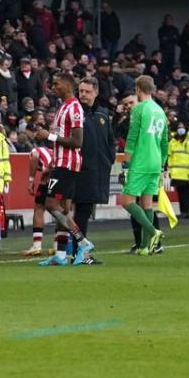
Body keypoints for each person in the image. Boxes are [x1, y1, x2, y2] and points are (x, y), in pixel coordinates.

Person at [32, 72, 95, 266]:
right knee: (63, 209)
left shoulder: (74, 107)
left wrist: (47, 136)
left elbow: (77, 141)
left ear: (68, 85)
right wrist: (52, 163)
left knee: (51, 204)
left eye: (56, 84)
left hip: (68, 164)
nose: (53, 87)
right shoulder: (63, 107)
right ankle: (60, 255)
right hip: (60, 162)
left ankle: (82, 241)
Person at [120, 75, 168, 256]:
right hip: (155, 162)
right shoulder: (160, 111)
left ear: (138, 89)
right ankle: (145, 247)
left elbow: (131, 138)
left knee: (126, 201)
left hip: (140, 161)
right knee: (147, 203)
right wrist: (162, 164)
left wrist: (125, 164)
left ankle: (153, 231)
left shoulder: (139, 109)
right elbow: (164, 142)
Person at [72, 76, 114, 265]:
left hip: (98, 170)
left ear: (96, 92)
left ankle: (75, 252)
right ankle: (78, 253)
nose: (83, 95)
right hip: (80, 169)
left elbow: (110, 141)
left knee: (83, 211)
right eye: (81, 91)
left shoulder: (103, 114)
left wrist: (109, 159)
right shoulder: (75, 112)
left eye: (87, 92)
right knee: (79, 211)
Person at [22, 145, 53, 256]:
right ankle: (58, 245)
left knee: (39, 208)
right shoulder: (53, 151)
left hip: (48, 179)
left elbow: (35, 156)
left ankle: (37, 246)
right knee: (61, 210)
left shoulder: (35, 150)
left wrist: (31, 181)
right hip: (62, 178)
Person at [168, 120, 189, 219]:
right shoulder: (173, 141)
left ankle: (186, 211)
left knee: (185, 192)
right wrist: (170, 171)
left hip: (186, 173)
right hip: (176, 173)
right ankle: (183, 211)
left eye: (182, 127)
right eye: (178, 127)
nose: (180, 129)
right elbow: (170, 156)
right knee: (180, 192)